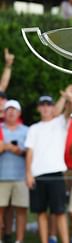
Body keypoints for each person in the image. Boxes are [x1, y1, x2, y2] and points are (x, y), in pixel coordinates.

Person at [25, 89, 72, 243]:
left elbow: (69, 111)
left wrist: (68, 99)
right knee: (41, 213)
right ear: (39, 108)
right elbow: (29, 152)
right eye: (43, 104)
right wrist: (28, 173)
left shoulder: (60, 122)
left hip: (56, 173)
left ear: (52, 107)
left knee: (60, 212)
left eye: (48, 104)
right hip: (38, 174)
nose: (46, 107)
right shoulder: (33, 128)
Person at [0, 100, 29, 243]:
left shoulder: (26, 130)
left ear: (19, 113)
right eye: (8, 110)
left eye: (14, 110)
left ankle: (19, 240)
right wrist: (4, 147)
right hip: (1, 177)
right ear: (4, 113)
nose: (11, 112)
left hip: (21, 177)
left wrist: (18, 150)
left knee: (21, 210)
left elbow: (30, 153)